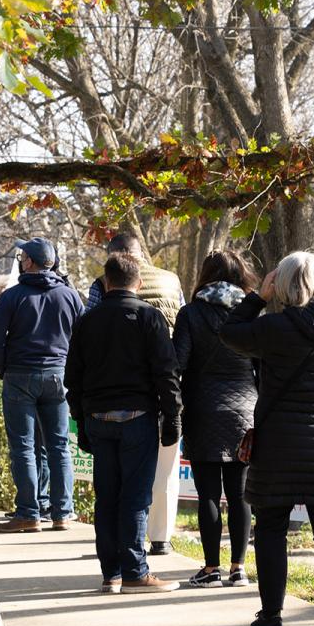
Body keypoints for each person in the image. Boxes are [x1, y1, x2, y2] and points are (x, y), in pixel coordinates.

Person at [220, 252, 314, 626]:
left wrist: (256, 298)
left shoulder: (275, 327)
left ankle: (271, 615)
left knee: (270, 526)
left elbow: (230, 333)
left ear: (279, 284)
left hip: (279, 443)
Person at [67, 252, 182, 592]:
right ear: (139, 283)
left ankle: (111, 572)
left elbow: (73, 376)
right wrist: (172, 417)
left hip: (98, 418)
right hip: (137, 417)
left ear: (106, 282)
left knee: (107, 497)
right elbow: (167, 372)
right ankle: (134, 571)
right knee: (134, 497)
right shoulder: (150, 317)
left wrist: (81, 420)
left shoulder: (87, 321)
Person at [87, 232, 184, 553]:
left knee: (121, 473)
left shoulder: (102, 283)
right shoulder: (171, 280)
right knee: (165, 469)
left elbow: (90, 327)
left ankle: (124, 542)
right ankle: (161, 538)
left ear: (114, 257)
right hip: (167, 382)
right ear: (141, 253)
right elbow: (181, 325)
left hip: (118, 390)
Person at [0, 237, 84, 533]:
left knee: (24, 448)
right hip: (58, 376)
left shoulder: (12, 296)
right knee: (59, 446)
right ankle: (62, 513)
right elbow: (82, 338)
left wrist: (5, 370)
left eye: (22, 256)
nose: (19, 260)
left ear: (29, 262)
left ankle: (28, 513)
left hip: (20, 375)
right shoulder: (69, 295)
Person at [173, 250, 259, 588]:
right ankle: (239, 568)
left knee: (208, 494)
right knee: (239, 495)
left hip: (203, 410)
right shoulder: (250, 313)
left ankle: (210, 569)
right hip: (245, 412)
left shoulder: (191, 313)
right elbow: (261, 364)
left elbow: (177, 362)